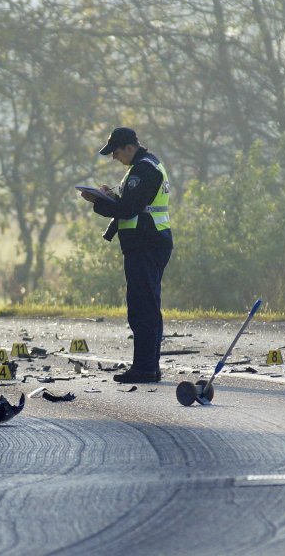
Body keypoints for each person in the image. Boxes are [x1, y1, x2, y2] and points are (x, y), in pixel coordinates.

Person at [80, 127, 173, 383]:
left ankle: (144, 369)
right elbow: (133, 203)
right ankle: (149, 367)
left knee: (142, 308)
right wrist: (110, 196)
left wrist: (97, 201)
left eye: (116, 152)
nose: (114, 157)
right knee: (149, 306)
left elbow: (129, 209)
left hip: (146, 244)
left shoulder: (143, 170)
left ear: (129, 147)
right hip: (151, 242)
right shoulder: (146, 165)